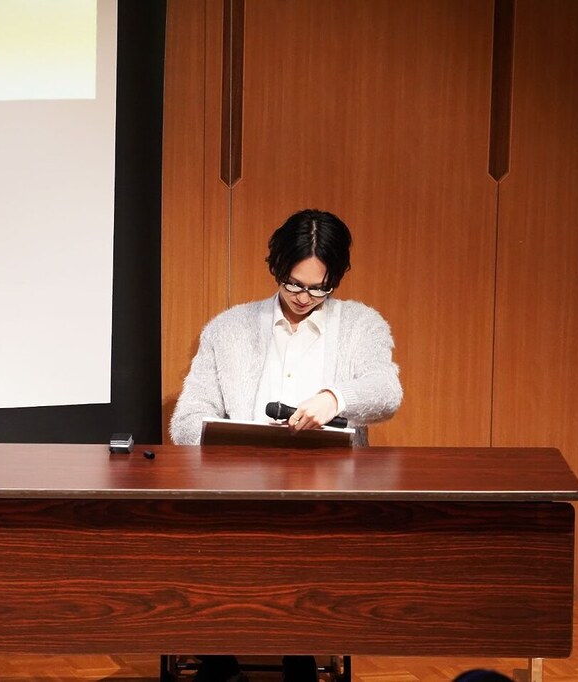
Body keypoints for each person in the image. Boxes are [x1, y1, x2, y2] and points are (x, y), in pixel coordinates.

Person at [170, 209, 403, 682]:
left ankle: (302, 654)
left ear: (335, 278)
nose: (303, 298)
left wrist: (334, 398)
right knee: (207, 538)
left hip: (327, 494)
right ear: (276, 268)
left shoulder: (362, 325)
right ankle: (220, 658)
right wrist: (236, 439)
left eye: (319, 288)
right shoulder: (228, 328)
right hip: (239, 490)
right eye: (293, 284)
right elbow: (186, 420)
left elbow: (387, 392)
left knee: (312, 542)